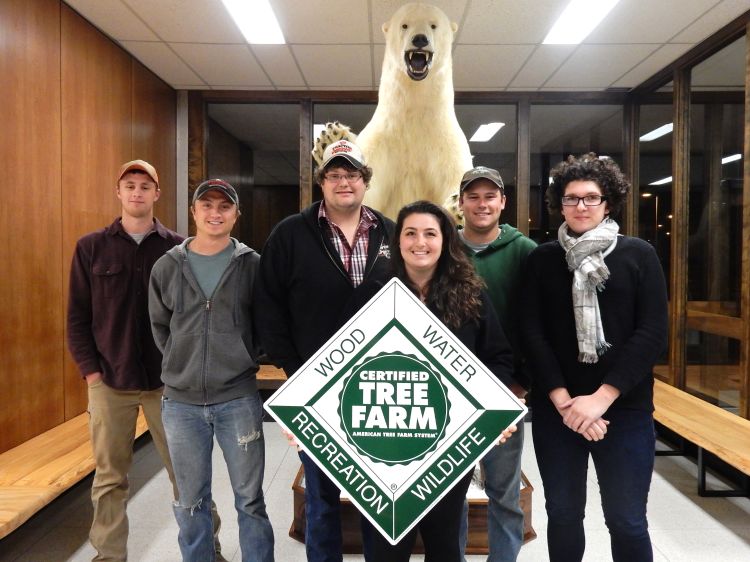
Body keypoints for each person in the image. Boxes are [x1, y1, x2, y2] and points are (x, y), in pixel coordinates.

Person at [520, 153, 668, 562]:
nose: (581, 206)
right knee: (564, 515)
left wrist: (600, 398)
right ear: (559, 204)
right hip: (557, 412)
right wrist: (565, 403)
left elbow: (653, 333)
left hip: (625, 410)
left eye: (590, 198)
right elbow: (532, 333)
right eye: (571, 198)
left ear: (608, 202)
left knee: (626, 521)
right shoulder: (542, 259)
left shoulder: (638, 255)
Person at [254, 139, 394, 562]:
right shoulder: (290, 233)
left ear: (366, 181)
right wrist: (295, 376)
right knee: (321, 498)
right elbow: (268, 305)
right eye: (334, 174)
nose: (343, 182)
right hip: (315, 388)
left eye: (352, 174)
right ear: (321, 183)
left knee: (377, 497)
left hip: (378, 388)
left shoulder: (390, 229)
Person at [362, 200, 517, 562]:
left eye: (430, 233)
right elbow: (340, 364)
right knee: (387, 549)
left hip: (448, 446)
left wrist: (497, 412)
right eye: (410, 233)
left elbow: (499, 359)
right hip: (385, 445)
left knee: (445, 543)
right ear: (397, 242)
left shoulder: (471, 294)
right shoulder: (373, 291)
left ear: (444, 240)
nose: (420, 242)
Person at [67, 160, 189, 562]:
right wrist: (92, 374)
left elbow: (187, 318)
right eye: (129, 185)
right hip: (109, 381)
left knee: (187, 475)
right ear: (119, 193)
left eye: (145, 186)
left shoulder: (178, 249)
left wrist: (181, 371)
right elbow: (77, 318)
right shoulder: (91, 248)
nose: (137, 193)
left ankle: (205, 548)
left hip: (166, 383)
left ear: (157, 194)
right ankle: (109, 555)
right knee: (109, 479)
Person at [149, 179, 274, 562]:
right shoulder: (168, 266)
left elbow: (264, 322)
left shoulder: (252, 265)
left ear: (236, 215)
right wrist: (181, 364)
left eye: (224, 206)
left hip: (238, 400)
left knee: (250, 500)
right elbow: (159, 326)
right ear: (194, 212)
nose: (215, 213)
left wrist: (241, 356)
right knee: (190, 502)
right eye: (207, 205)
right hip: (181, 405)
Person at [457, 167, 536, 561]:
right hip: (452, 395)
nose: (482, 203)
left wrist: (521, 384)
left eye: (491, 196)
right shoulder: (445, 249)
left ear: (503, 202)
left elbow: (538, 324)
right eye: (473, 196)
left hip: (506, 390)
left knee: (503, 492)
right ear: (461, 203)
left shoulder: (525, 252)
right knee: (449, 495)